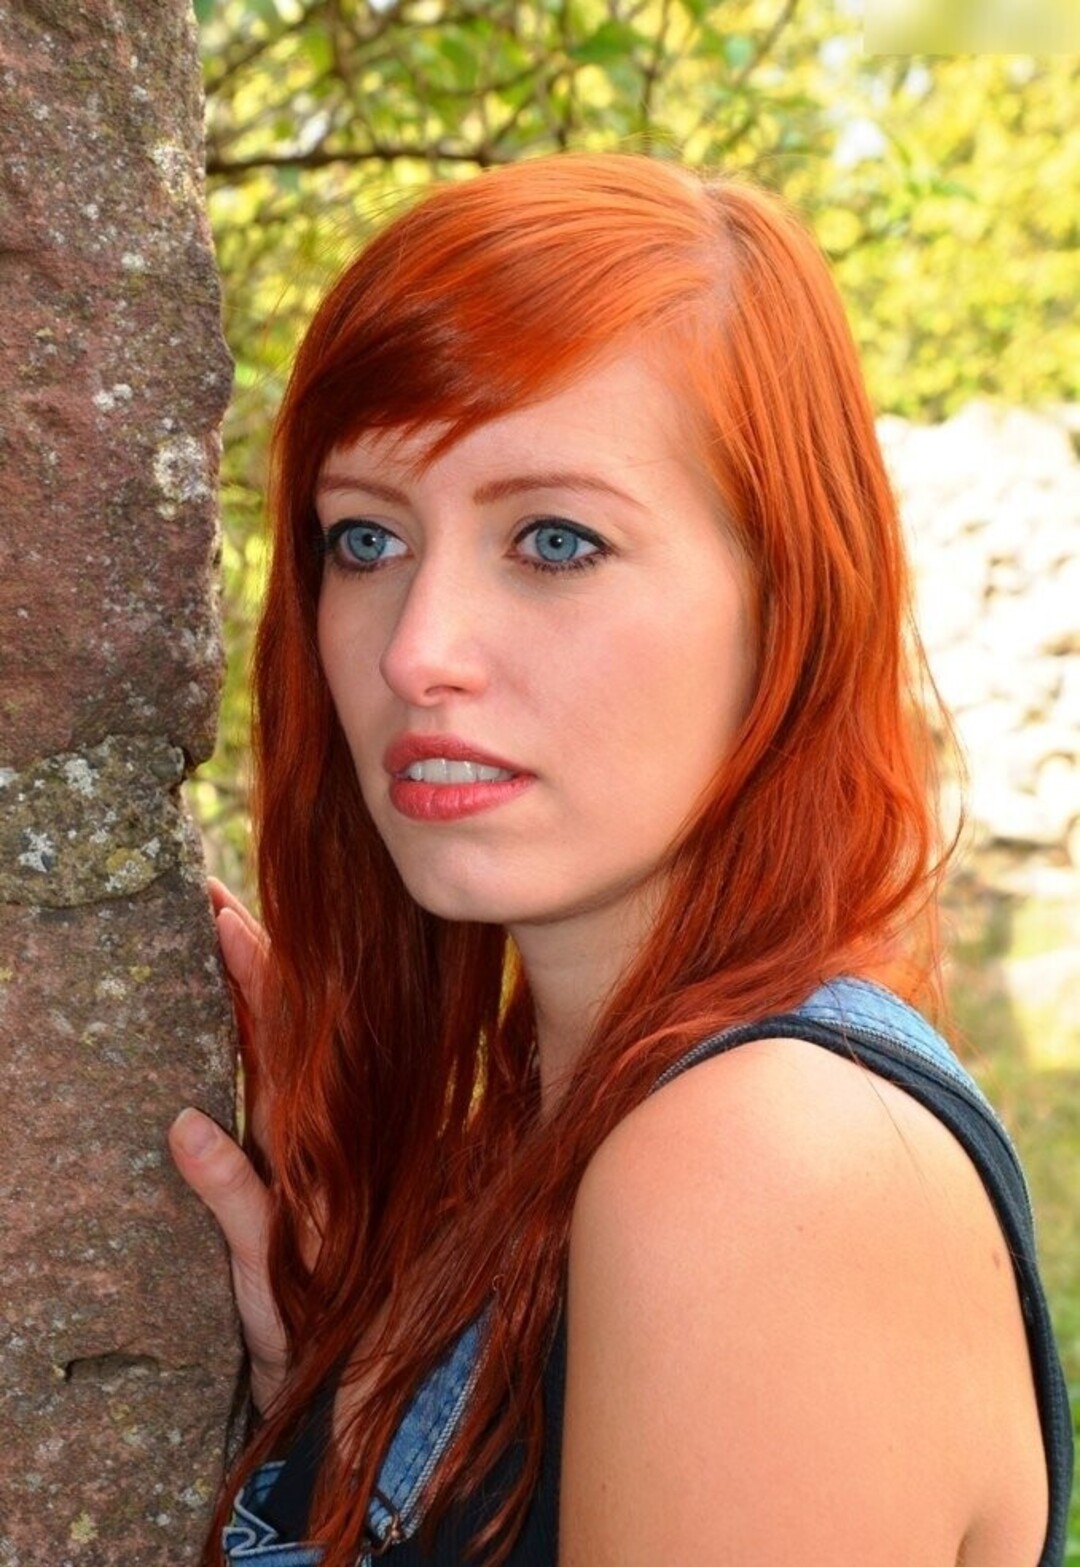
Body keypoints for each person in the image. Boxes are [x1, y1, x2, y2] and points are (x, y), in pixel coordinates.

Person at [168, 153, 1072, 1567]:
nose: (418, 651)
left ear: (788, 599)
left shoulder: (759, 1169)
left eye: (555, 539)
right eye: (366, 537)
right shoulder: (556, 1146)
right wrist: (347, 1415)